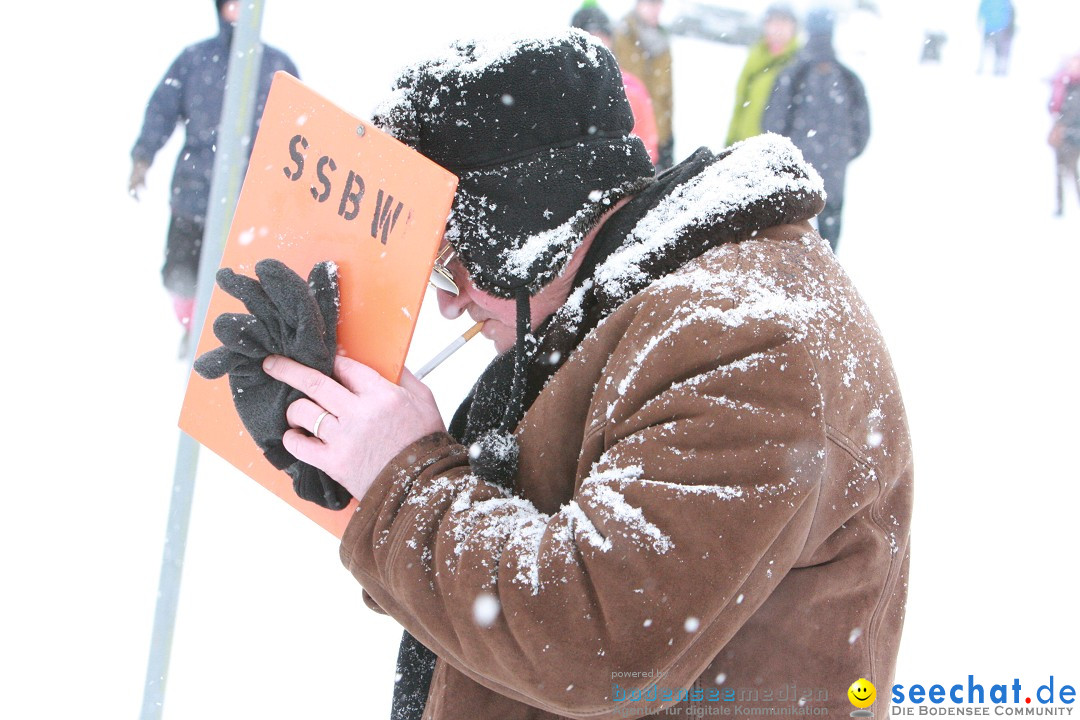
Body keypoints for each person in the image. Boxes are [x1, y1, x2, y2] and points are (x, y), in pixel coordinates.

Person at [201, 30, 912, 720]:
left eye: (454, 261)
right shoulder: (599, 309)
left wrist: (401, 481)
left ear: (523, 229)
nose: (449, 304)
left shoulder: (744, 343)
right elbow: (498, 561)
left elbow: (597, 643)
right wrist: (341, 458)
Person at [129, 0, 298, 353]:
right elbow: (161, 109)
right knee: (181, 275)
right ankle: (191, 329)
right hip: (193, 193)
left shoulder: (277, 67)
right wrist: (142, 157)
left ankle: (225, 339)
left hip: (249, 202)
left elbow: (298, 130)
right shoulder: (194, 60)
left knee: (239, 279)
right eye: (230, 5)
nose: (236, 13)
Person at [762, 7, 870, 251]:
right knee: (828, 249)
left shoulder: (792, 73)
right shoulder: (848, 78)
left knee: (789, 243)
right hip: (833, 177)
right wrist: (840, 155)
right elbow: (862, 133)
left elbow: (772, 125)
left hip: (794, 178)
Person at [572, 2, 660, 166]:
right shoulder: (561, 86)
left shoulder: (630, 87)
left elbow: (647, 146)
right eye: (589, 35)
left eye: (602, 35)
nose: (597, 43)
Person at [612, 0, 676, 170]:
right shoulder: (622, 34)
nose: (656, 10)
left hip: (659, 134)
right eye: (651, 4)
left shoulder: (662, 39)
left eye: (659, 4)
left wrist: (667, 138)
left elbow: (666, 94)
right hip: (630, 134)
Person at [725, 4, 801, 146]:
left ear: (793, 28)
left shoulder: (800, 65)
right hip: (742, 149)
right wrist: (730, 142)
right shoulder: (755, 57)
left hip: (772, 157)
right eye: (773, 22)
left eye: (784, 22)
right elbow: (740, 106)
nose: (777, 28)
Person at [1048, 52, 1080, 216]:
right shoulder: (1062, 83)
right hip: (1061, 135)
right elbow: (1052, 106)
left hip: (1075, 137)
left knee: (1073, 172)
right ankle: (1059, 207)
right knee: (1059, 172)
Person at [977, 0, 1015, 76]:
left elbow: (981, 11)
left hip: (995, 28)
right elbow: (1010, 12)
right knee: (994, 50)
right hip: (997, 28)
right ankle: (994, 69)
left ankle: (994, 69)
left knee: (992, 50)